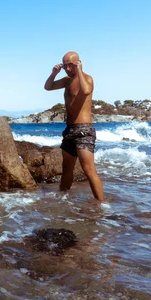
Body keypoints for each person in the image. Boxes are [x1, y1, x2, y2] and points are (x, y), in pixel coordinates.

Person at [44, 51, 105, 202]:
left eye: (70, 66)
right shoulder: (66, 81)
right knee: (67, 170)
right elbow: (48, 87)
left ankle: (102, 205)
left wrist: (79, 71)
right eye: (65, 66)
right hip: (70, 130)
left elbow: (86, 91)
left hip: (84, 130)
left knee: (89, 170)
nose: (67, 69)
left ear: (78, 63)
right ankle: (63, 198)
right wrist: (54, 73)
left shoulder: (87, 79)